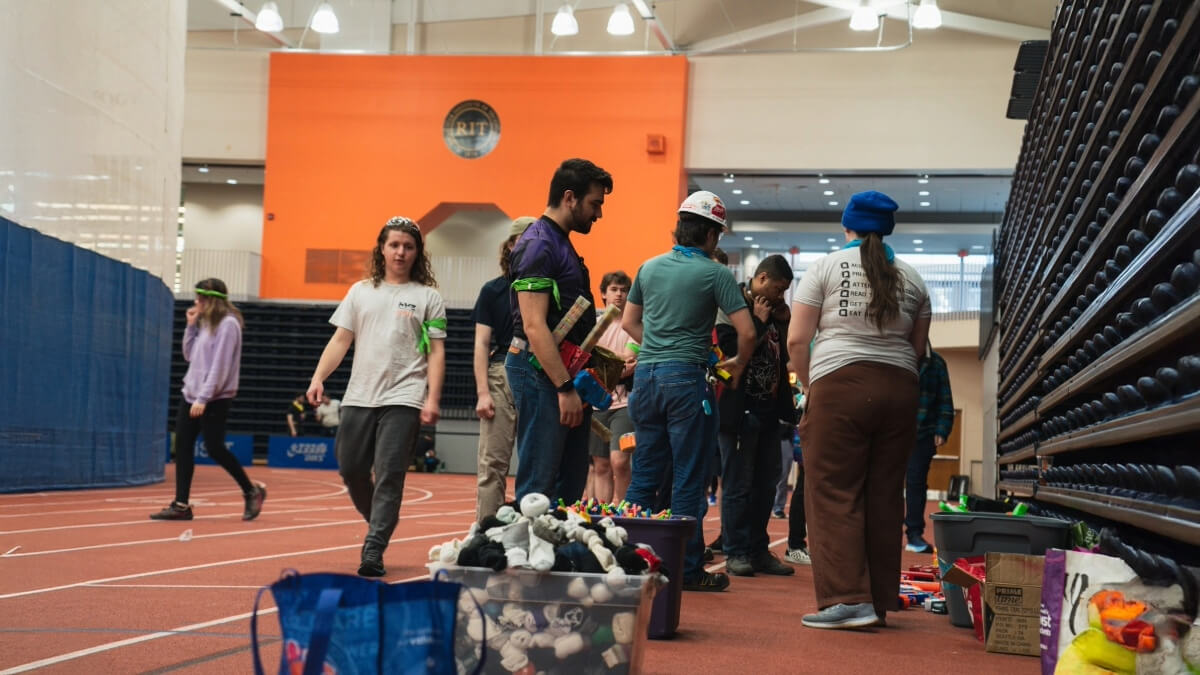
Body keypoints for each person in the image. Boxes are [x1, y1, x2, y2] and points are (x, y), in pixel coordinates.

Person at [786, 191, 931, 629]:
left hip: (840, 384)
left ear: (847, 225)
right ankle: (880, 599)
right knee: (886, 495)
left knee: (833, 492)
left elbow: (796, 340)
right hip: (901, 390)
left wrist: (813, 387)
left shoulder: (825, 267)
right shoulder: (914, 278)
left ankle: (848, 600)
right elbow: (918, 351)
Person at [622, 191, 755, 593]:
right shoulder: (715, 274)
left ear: (680, 226)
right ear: (712, 235)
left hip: (645, 379)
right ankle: (688, 568)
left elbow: (630, 323)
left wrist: (658, 349)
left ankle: (629, 561)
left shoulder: (648, 267)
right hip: (686, 381)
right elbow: (746, 332)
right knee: (687, 478)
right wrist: (737, 363)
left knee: (644, 474)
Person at [307, 217, 446, 577]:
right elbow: (341, 340)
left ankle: (373, 548)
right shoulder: (360, 291)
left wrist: (432, 398)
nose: (401, 252)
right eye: (394, 245)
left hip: (404, 396)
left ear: (417, 253)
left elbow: (436, 352)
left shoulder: (428, 297)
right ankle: (380, 521)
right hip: (359, 395)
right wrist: (319, 377)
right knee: (351, 468)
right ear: (382, 249)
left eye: (408, 246)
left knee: (389, 473)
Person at [506, 158, 612, 505]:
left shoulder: (560, 243)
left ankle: (558, 554)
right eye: (595, 203)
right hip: (543, 374)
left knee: (570, 481)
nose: (598, 214)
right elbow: (535, 326)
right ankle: (529, 558)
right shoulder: (539, 245)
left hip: (563, 374)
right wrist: (564, 387)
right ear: (570, 197)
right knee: (539, 483)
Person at [152, 278, 266, 521]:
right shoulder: (205, 324)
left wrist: (204, 398)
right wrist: (191, 327)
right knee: (182, 447)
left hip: (213, 398)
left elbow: (220, 367)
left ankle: (250, 490)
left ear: (210, 300)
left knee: (215, 448)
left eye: (199, 298)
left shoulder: (228, 325)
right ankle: (181, 505)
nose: (195, 302)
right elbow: (189, 355)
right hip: (191, 394)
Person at [714, 254, 796, 578]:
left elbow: (785, 357)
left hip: (769, 411)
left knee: (766, 484)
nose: (781, 296)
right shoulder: (731, 303)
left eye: (786, 291)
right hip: (739, 411)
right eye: (778, 289)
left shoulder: (775, 311)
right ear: (761, 279)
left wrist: (783, 320)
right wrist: (759, 322)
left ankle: (759, 551)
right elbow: (731, 350)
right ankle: (735, 551)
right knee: (738, 485)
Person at [472, 216, 536, 521]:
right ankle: (485, 530)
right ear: (511, 245)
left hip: (537, 374)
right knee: (492, 464)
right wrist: (483, 393)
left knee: (535, 462)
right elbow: (481, 343)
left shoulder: (544, 289)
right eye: (524, 240)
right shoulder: (492, 290)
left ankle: (532, 530)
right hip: (500, 376)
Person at [586, 270, 637, 504]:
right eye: (614, 289)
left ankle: (625, 513)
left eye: (624, 290)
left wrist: (600, 359)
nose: (619, 294)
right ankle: (604, 516)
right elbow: (584, 362)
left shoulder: (633, 326)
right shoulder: (593, 327)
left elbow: (627, 365)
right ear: (603, 294)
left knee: (620, 461)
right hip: (596, 404)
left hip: (624, 403)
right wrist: (615, 361)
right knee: (601, 464)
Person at [904, 344, 955, 553]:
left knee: (916, 483)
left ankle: (914, 534)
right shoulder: (895, 354)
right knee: (883, 483)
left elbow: (945, 400)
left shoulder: (936, 363)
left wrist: (942, 430)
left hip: (923, 433)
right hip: (891, 430)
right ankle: (881, 532)